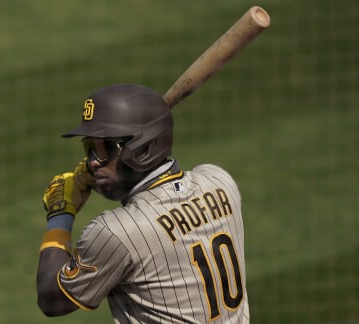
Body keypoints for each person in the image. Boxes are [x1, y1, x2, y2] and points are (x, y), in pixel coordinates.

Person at [36, 84, 250, 323]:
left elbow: (51, 299)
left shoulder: (116, 232)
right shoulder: (219, 183)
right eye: (90, 150)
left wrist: (60, 212)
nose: (94, 162)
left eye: (104, 148)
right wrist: (98, 172)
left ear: (143, 149)